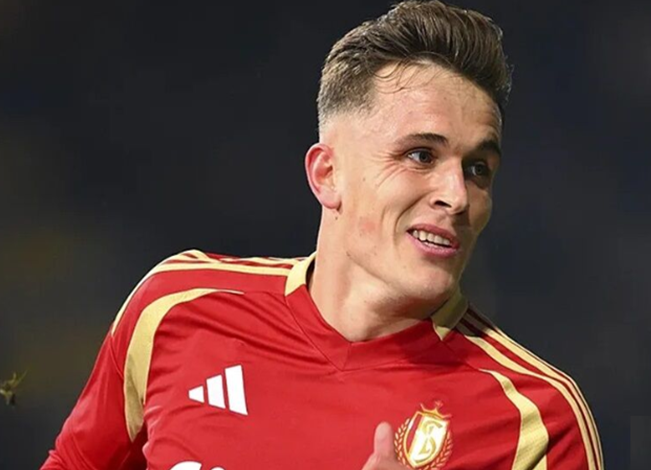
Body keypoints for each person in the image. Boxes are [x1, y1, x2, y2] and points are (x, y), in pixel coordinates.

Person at [42, 1, 603, 469]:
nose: (457, 196)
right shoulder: (178, 307)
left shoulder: (538, 422)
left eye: (478, 169)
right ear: (328, 175)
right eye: (421, 155)